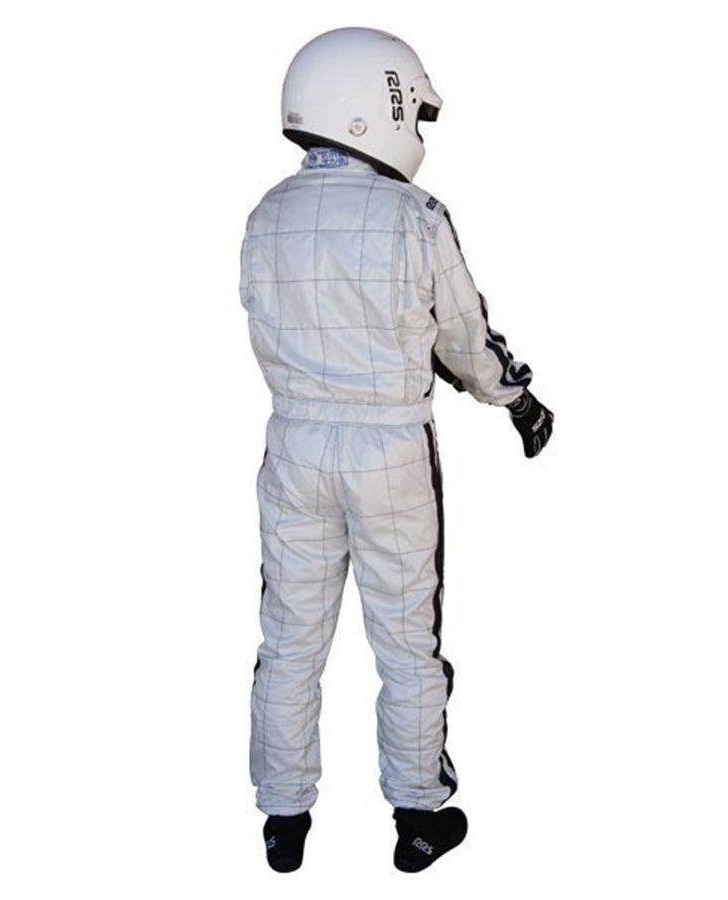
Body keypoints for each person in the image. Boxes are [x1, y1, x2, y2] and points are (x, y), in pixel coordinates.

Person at [240, 27, 553, 873]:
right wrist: (515, 398)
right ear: (375, 105)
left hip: (293, 446)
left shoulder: (266, 215)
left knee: (289, 640)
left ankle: (283, 820)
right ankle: (418, 817)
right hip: (389, 452)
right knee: (408, 641)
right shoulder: (415, 216)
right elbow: (463, 336)